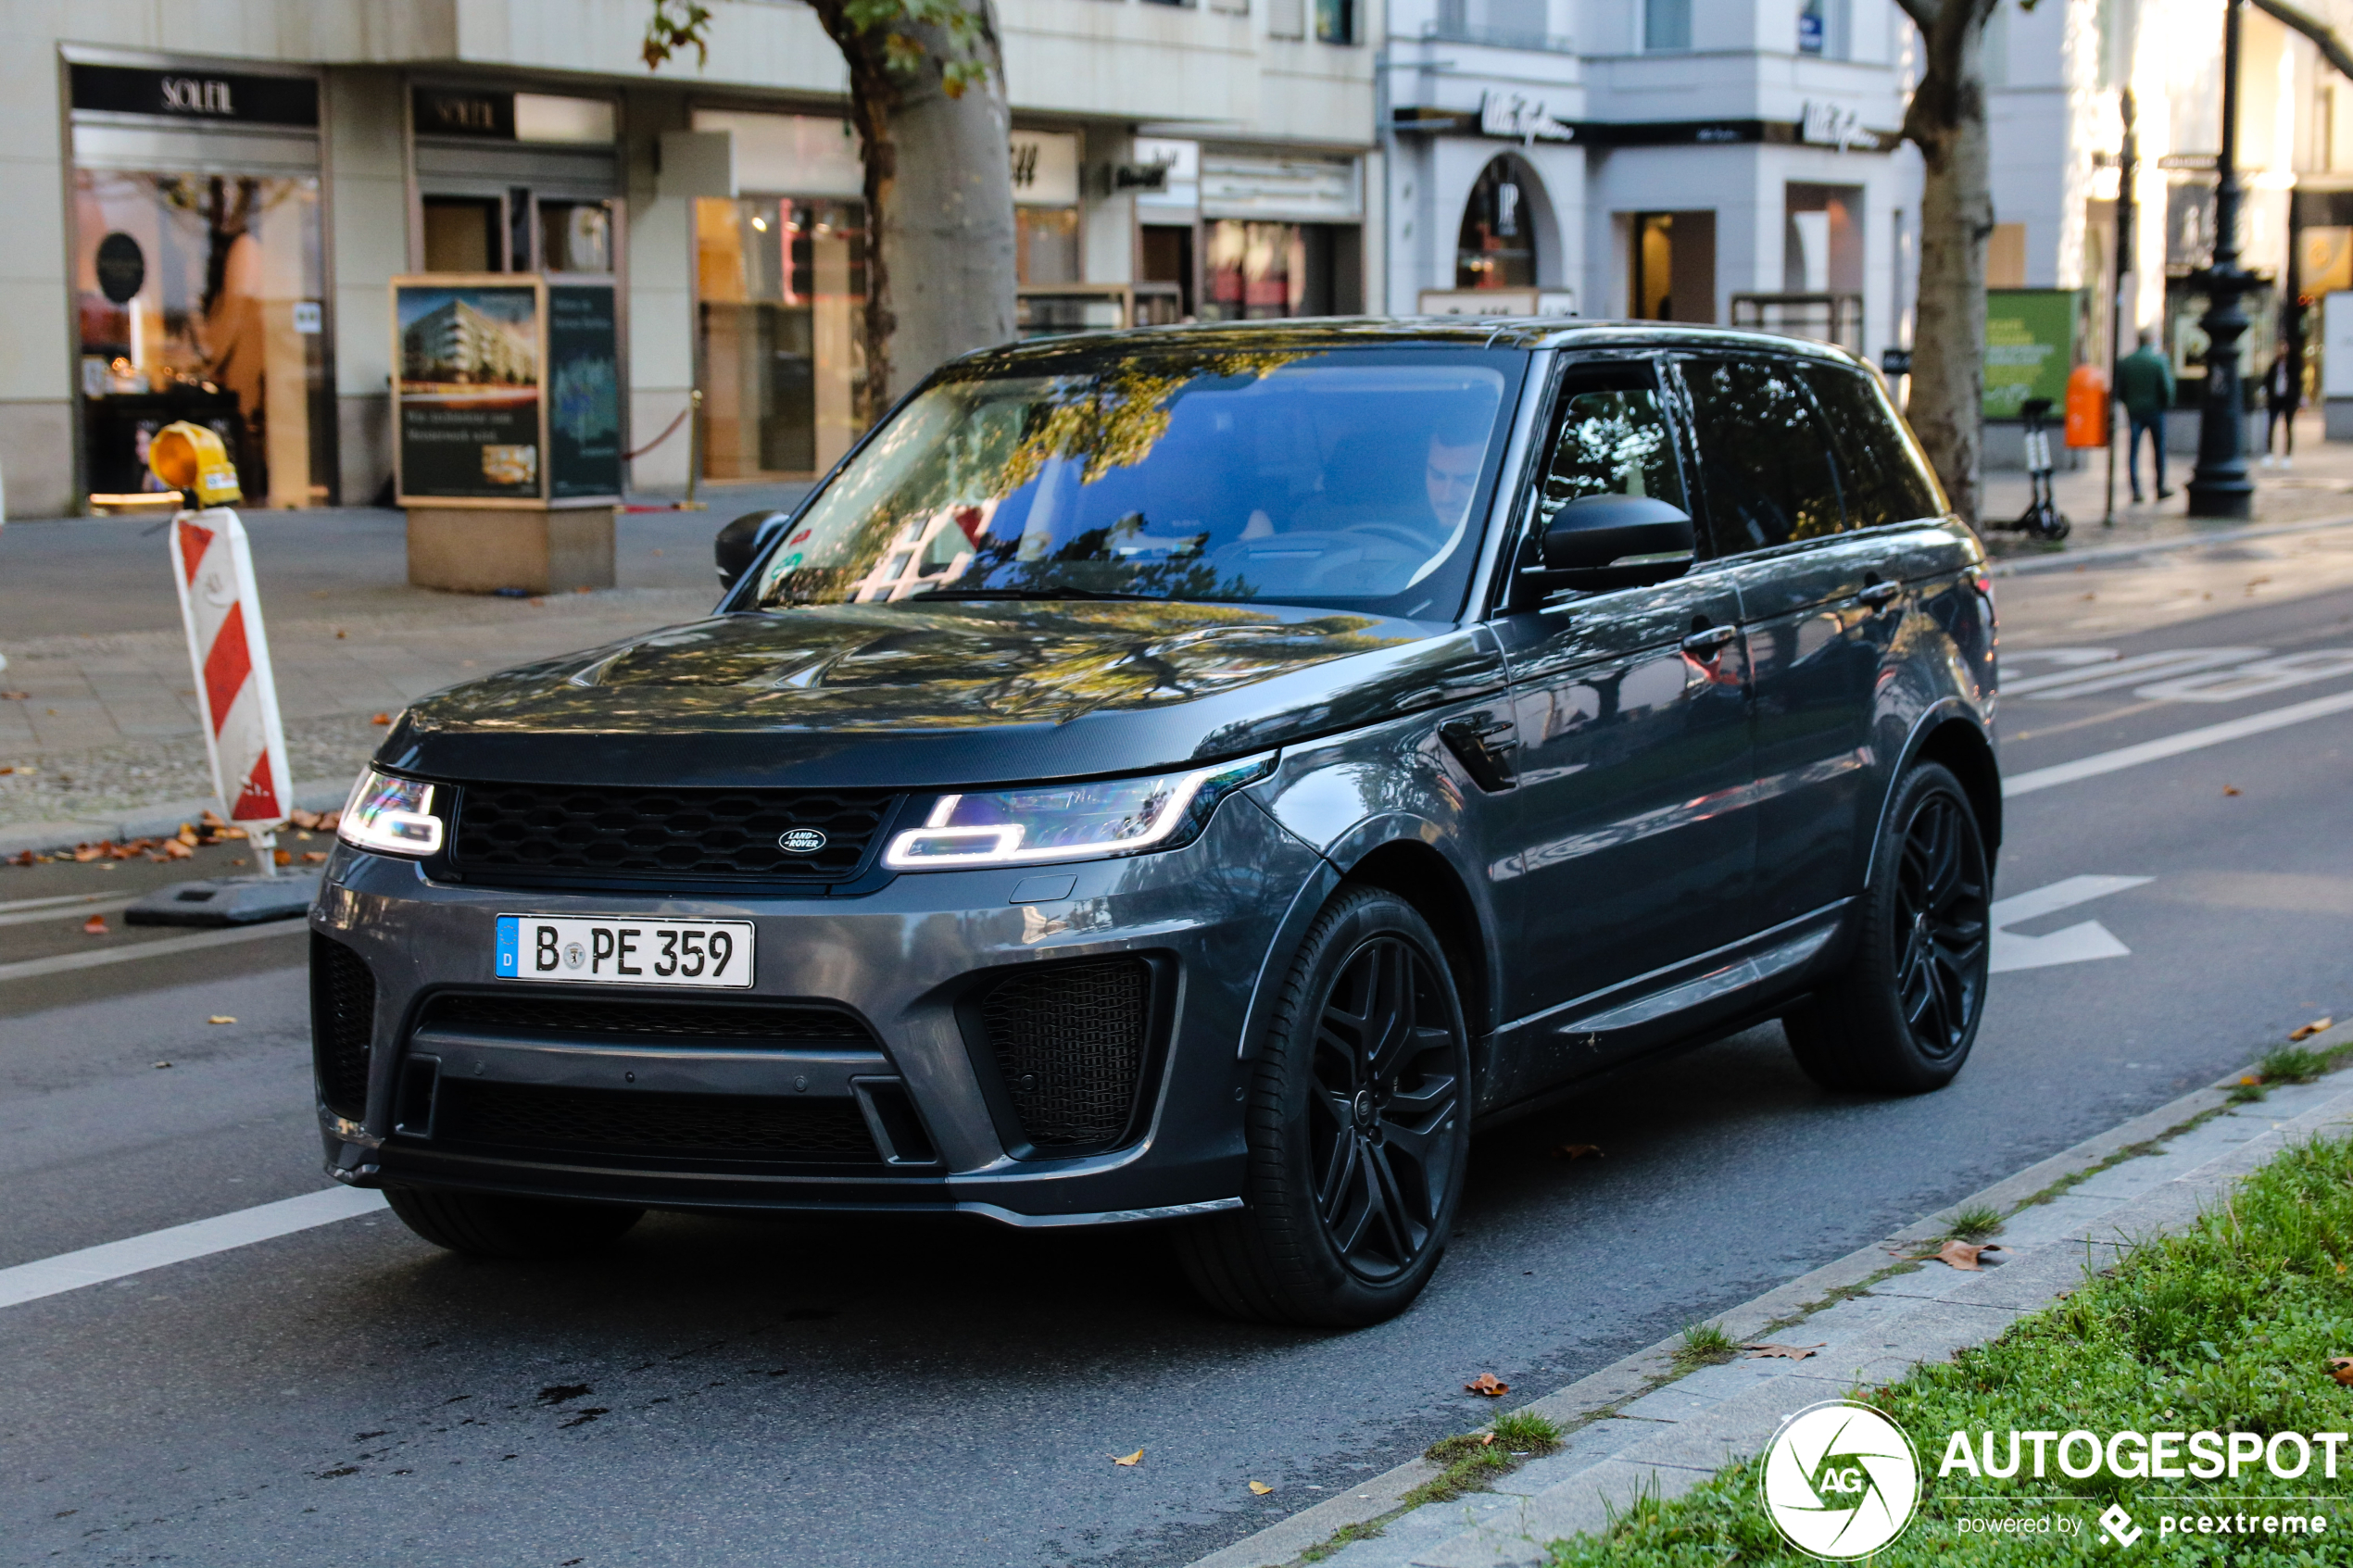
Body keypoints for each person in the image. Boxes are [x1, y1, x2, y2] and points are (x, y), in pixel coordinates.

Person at [2115, 327, 2175, 503]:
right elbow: (2167, 388)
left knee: (2133, 451)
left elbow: (2120, 391)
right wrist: (2165, 404)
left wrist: (2129, 403)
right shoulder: (2159, 361)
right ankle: (2160, 487)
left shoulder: (2126, 362)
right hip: (2155, 411)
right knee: (2159, 450)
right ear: (2151, 340)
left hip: (2134, 411)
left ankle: (2135, 490)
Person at [2262, 346, 2299, 469]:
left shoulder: (2292, 366)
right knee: (2271, 426)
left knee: (2288, 428)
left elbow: (2297, 383)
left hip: (2288, 401)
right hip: (2275, 400)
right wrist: (2268, 394)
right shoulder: (2274, 366)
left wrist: (2295, 399)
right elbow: (2267, 380)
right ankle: (2269, 454)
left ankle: (2287, 456)